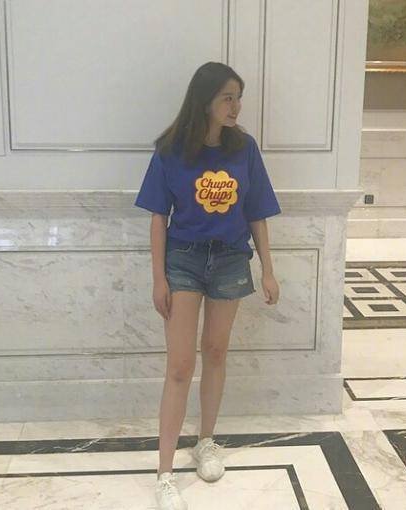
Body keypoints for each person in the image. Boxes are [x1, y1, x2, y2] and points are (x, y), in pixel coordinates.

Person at [133, 61, 281, 510]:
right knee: (180, 365)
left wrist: (268, 269)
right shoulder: (171, 150)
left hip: (231, 258)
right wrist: (158, 278)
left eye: (239, 98)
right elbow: (158, 219)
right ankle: (164, 474)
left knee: (216, 351)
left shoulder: (244, 149)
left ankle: (206, 442)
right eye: (227, 98)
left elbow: (256, 212)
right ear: (205, 101)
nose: (236, 107)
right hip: (183, 260)